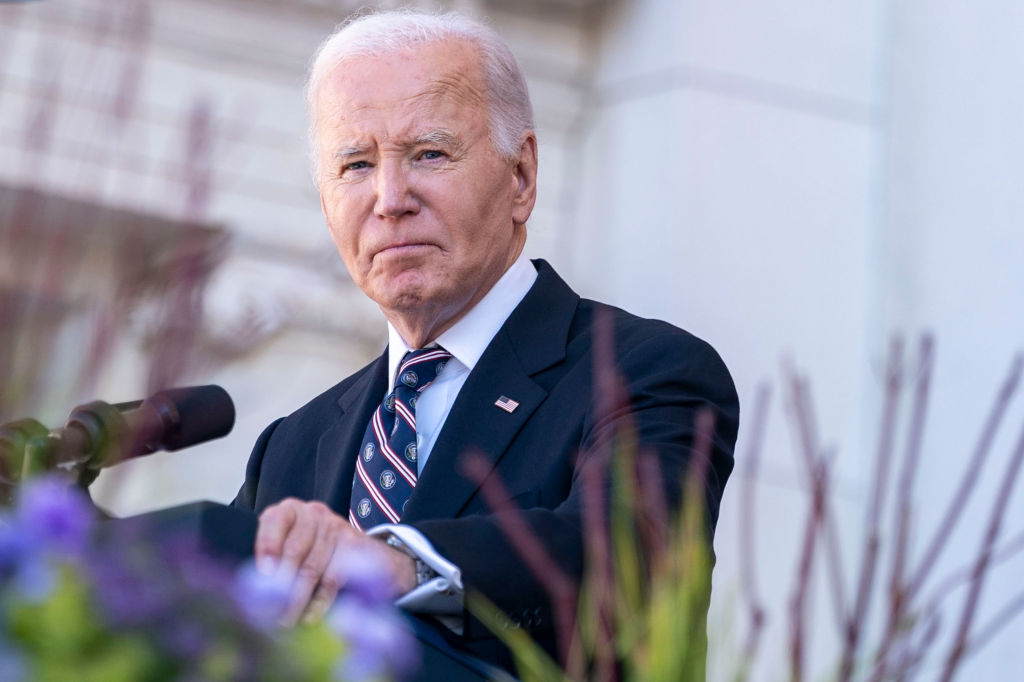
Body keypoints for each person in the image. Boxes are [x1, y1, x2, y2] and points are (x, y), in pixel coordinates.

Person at [232, 9, 739, 671]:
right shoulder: (289, 448)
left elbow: (629, 557)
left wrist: (396, 563)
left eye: (429, 155)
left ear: (521, 176)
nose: (389, 198)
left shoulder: (643, 371)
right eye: (355, 164)